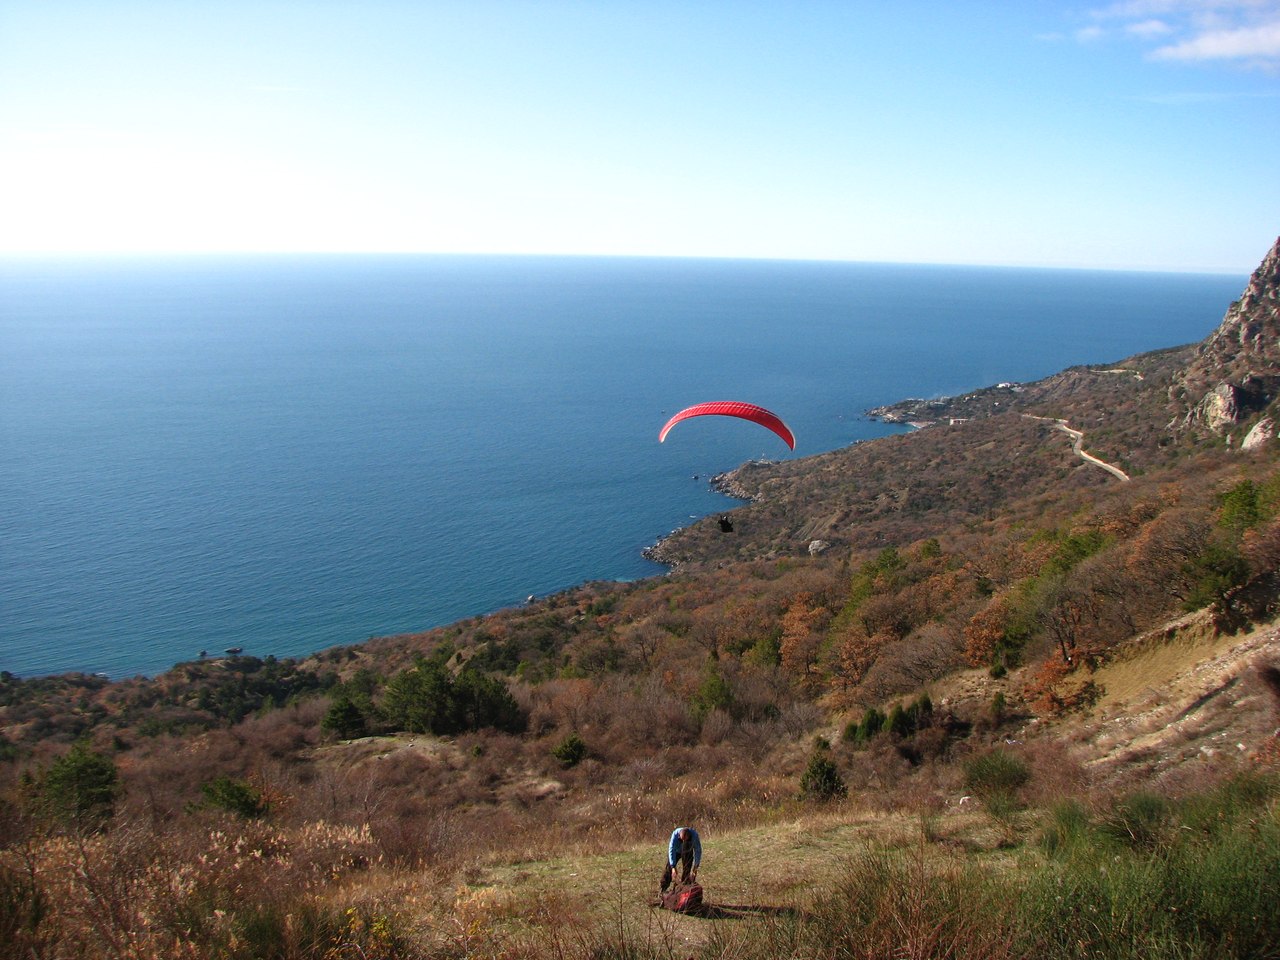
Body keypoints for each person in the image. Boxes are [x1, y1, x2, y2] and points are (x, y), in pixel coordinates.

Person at [660, 826, 702, 892]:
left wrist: (695, 868)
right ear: (679, 836)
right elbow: (671, 850)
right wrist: (673, 867)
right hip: (676, 851)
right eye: (681, 840)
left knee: (687, 869)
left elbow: (698, 850)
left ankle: (684, 888)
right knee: (668, 869)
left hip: (687, 850)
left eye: (685, 840)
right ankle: (663, 888)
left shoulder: (694, 836)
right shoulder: (675, 834)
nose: (683, 842)